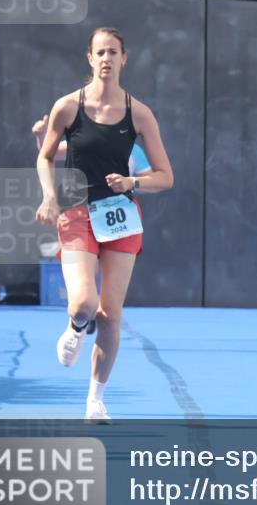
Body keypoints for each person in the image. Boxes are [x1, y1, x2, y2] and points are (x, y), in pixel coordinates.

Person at [35, 27, 173, 422]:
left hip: (121, 217)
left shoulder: (139, 113)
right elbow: (45, 157)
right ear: (90, 58)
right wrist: (48, 195)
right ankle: (76, 327)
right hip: (77, 211)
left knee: (111, 314)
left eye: (114, 52)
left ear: (124, 59)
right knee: (84, 304)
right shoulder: (68, 107)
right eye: (101, 52)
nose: (107, 59)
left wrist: (133, 183)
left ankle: (95, 399)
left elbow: (166, 176)